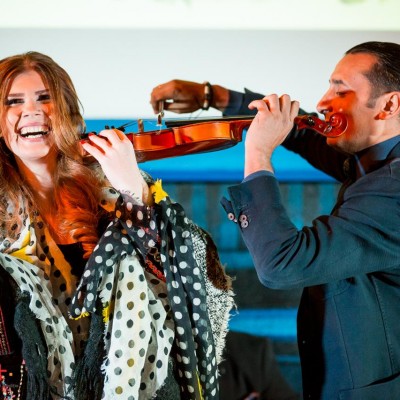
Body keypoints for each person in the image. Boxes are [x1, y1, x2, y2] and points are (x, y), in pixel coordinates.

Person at [150, 41, 400, 399]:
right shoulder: (374, 161)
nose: (324, 101)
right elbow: (302, 131)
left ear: (389, 105)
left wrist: (258, 152)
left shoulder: (392, 187)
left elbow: (282, 264)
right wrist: (215, 97)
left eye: (340, 90)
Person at [0, 51, 234, 400]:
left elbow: (198, 280)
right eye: (13, 101)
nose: (31, 111)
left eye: (45, 98)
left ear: (66, 111)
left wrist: (135, 192)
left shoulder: (113, 187)